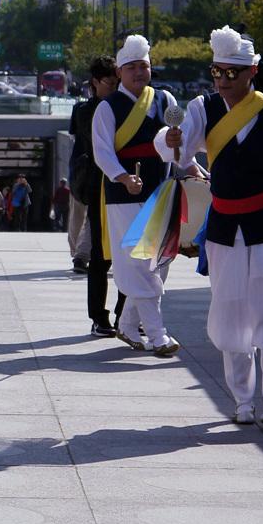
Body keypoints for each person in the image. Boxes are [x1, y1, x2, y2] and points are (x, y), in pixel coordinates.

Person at [159, 26, 263, 429]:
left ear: (252, 72)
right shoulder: (202, 108)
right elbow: (178, 149)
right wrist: (172, 138)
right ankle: (243, 401)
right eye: (217, 72)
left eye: (232, 72)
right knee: (230, 312)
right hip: (225, 226)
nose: (224, 81)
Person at [92, 36, 179, 353]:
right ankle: (157, 335)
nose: (139, 72)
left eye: (144, 65)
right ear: (119, 71)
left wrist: (191, 166)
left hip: (161, 191)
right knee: (139, 265)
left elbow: (178, 142)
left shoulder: (166, 100)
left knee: (159, 263)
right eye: (131, 67)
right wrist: (122, 177)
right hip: (123, 195)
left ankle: (128, 325)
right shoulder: (108, 106)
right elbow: (102, 152)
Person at [71, 58, 124, 332]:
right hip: (99, 187)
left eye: (118, 83)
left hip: (127, 188)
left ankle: (125, 315)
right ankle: (98, 317)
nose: (115, 89)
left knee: (129, 255)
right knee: (101, 256)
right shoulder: (86, 111)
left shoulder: (127, 106)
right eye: (110, 84)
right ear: (94, 83)